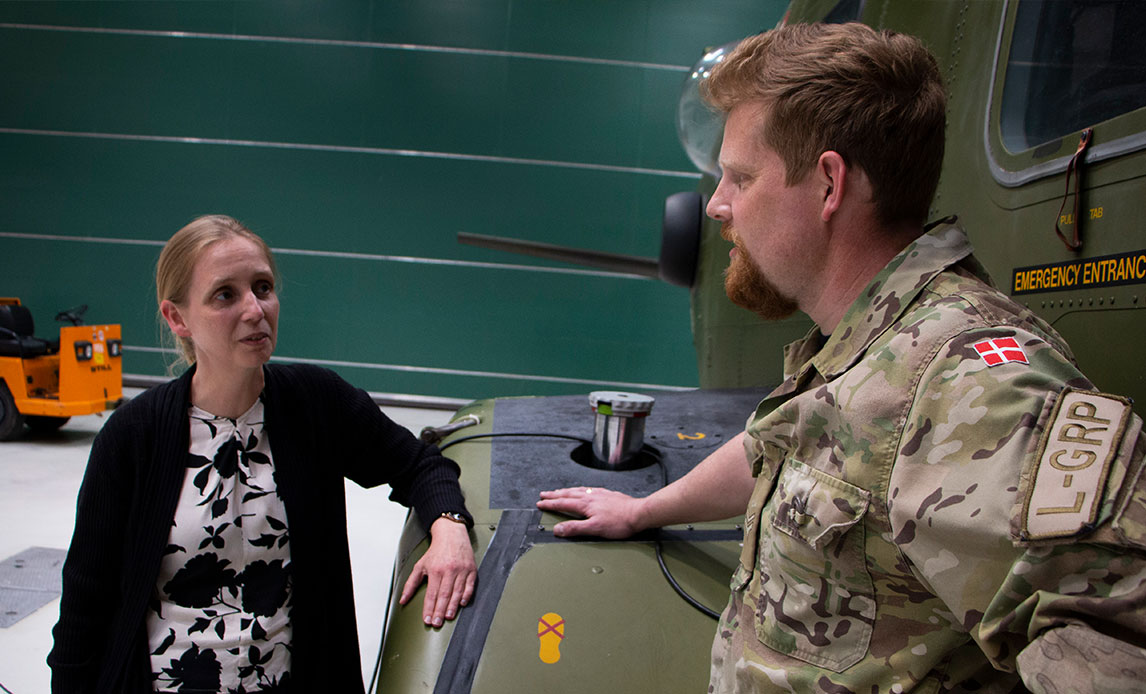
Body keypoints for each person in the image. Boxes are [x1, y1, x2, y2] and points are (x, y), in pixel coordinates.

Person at [538, 22, 1146, 694]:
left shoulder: (974, 381)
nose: (716, 204)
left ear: (828, 185)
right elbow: (786, 445)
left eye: (740, 176)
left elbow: (1118, 638)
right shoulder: (866, 347)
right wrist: (646, 509)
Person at [48, 215, 477, 693]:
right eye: (225, 295)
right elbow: (84, 614)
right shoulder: (132, 437)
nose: (255, 309)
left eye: (263, 287)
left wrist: (449, 526)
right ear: (177, 317)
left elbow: (419, 463)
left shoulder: (317, 403)